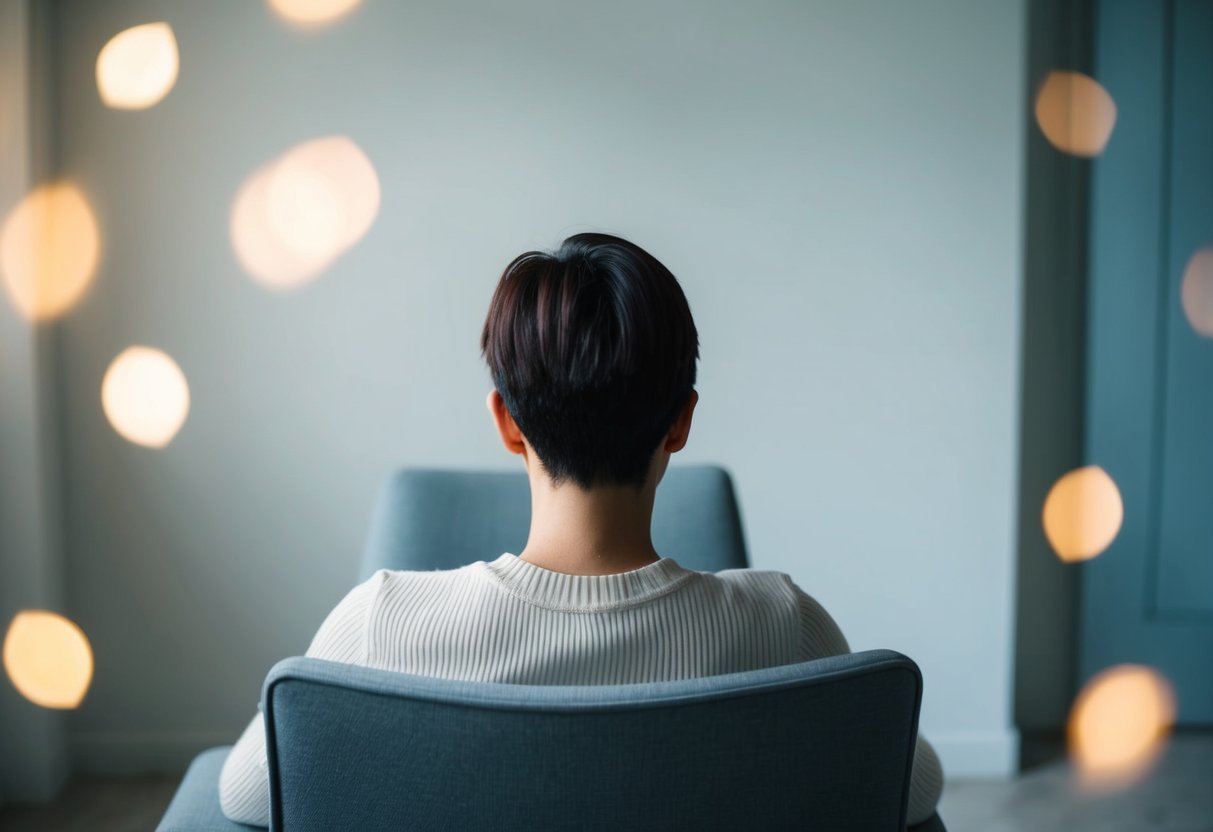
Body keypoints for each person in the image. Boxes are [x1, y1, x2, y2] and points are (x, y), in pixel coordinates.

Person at [218, 232, 944, 826]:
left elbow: (246, 796)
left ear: (506, 423)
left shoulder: (378, 625)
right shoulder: (782, 628)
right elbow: (910, 793)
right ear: (681, 421)